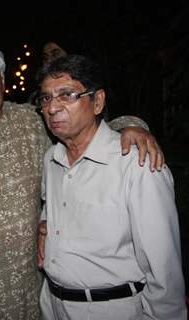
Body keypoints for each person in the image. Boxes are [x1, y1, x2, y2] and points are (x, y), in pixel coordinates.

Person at [0, 39, 165, 319]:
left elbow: (82, 127)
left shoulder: (32, 122)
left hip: (36, 303)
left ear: (2, 82)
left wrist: (131, 125)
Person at [36, 55, 186, 319]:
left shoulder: (137, 162)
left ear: (98, 101)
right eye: (46, 98)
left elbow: (163, 265)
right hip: (53, 305)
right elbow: (57, 210)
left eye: (67, 95)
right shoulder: (52, 159)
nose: (52, 108)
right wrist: (45, 224)